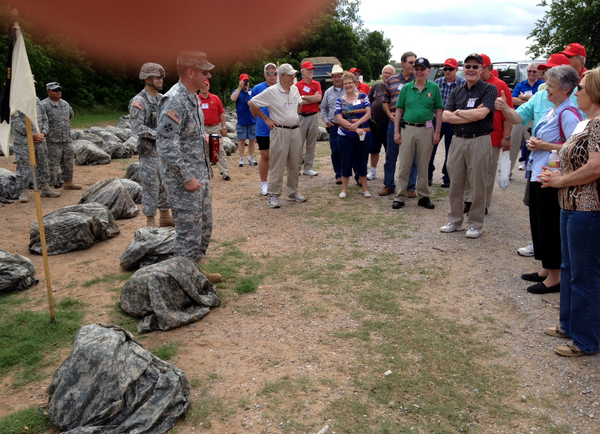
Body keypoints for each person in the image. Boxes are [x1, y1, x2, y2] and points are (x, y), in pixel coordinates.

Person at [496, 65, 581, 293]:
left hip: (552, 177)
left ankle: (555, 276)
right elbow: (522, 120)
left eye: (551, 86)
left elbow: (575, 147)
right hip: (540, 173)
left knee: (550, 225)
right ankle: (546, 268)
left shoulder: (568, 112)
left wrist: (544, 145)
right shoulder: (554, 108)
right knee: (539, 222)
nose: (547, 89)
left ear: (565, 89)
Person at [539, 67, 600, 357]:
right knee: (569, 268)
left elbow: (595, 167)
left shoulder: (598, 124)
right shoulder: (586, 123)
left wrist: (561, 180)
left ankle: (586, 340)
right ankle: (568, 325)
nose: (576, 92)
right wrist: (555, 174)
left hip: (587, 209)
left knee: (584, 275)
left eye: (581, 88)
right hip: (569, 204)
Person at [156, 52, 221, 283]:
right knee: (188, 234)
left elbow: (184, 137)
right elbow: (165, 145)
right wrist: (186, 177)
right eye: (204, 71)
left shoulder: (192, 97)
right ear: (190, 72)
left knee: (204, 227)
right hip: (184, 180)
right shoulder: (174, 100)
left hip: (199, 175)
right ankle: (183, 284)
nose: (208, 75)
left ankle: (194, 272)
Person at [439, 53, 497, 239]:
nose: (471, 70)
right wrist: (467, 112)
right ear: (463, 69)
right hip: (458, 140)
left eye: (475, 66)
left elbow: (482, 115)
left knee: (478, 183)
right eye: (468, 66)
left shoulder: (489, 90)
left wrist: (458, 113)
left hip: (479, 139)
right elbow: (445, 116)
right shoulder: (457, 91)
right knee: (455, 182)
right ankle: (455, 221)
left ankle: (475, 224)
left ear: (482, 69)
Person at [249, 64, 306, 209]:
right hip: (280, 131)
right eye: (290, 75)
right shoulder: (271, 91)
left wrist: (295, 117)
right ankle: (273, 194)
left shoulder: (294, 89)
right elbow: (252, 103)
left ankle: (293, 193)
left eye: (294, 75)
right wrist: (266, 119)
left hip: (295, 131)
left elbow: (299, 103)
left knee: (295, 163)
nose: (293, 77)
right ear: (282, 77)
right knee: (277, 163)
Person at [464, 54, 513, 214]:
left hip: (493, 137)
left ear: (488, 68)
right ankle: (469, 200)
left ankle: (483, 203)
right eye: (471, 67)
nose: (475, 70)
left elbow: (508, 114)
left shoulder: (499, 85)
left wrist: (506, 137)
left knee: (487, 172)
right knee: (469, 170)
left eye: (479, 67)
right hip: (471, 135)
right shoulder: (470, 85)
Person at [392, 57, 443, 210]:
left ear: (428, 71)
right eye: (417, 69)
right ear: (413, 70)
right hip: (407, 129)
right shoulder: (406, 88)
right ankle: (399, 196)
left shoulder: (434, 88)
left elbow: (439, 111)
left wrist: (437, 132)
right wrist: (396, 131)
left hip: (427, 130)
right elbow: (399, 110)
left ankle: (424, 196)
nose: (419, 72)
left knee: (423, 164)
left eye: (422, 69)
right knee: (404, 164)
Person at [129, 63, 174, 228]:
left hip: (163, 150)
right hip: (149, 151)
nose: (161, 80)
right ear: (147, 79)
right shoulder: (139, 102)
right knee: (150, 185)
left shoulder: (162, 100)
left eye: (162, 77)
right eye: (158, 77)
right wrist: (159, 134)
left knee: (165, 183)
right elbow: (137, 127)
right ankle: (150, 220)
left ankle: (164, 216)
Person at [380, 51, 418, 197]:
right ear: (402, 63)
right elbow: (385, 101)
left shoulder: (418, 80)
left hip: (411, 124)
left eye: (415, 62)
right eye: (411, 62)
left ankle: (411, 187)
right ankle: (389, 185)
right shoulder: (393, 80)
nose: (414, 65)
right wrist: (389, 113)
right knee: (391, 155)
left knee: (412, 157)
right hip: (394, 124)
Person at [13, 98, 61, 203]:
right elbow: (15, 121)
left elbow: (44, 118)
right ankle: (23, 191)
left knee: (43, 163)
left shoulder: (36, 100)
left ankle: (45, 187)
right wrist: (30, 134)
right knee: (23, 165)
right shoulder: (15, 99)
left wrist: (43, 132)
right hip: (23, 141)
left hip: (39, 140)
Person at [334, 71, 372, 198]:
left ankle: (365, 189)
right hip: (345, 136)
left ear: (355, 83)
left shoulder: (363, 96)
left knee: (362, 161)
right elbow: (339, 118)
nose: (348, 85)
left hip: (364, 136)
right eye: (345, 83)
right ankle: (344, 190)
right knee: (346, 161)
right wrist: (354, 128)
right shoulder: (339, 100)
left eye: (350, 82)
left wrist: (358, 123)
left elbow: (368, 113)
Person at [41, 82, 81, 190]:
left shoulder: (65, 104)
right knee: (52, 164)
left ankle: (68, 182)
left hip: (66, 139)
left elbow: (70, 116)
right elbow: (40, 121)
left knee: (68, 162)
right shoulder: (43, 105)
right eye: (55, 90)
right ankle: (49, 186)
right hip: (52, 140)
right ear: (49, 91)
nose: (58, 92)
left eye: (60, 90)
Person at [432, 58, 466, 188]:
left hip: (453, 122)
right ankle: (428, 175)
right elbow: (431, 102)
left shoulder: (463, 84)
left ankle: (447, 177)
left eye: (450, 69)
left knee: (450, 151)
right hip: (437, 119)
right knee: (431, 148)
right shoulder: (437, 83)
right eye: (445, 69)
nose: (447, 71)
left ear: (456, 70)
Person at [510, 63, 543, 176]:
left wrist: (523, 97)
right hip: (520, 119)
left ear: (539, 72)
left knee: (535, 148)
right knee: (513, 146)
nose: (531, 73)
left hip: (534, 120)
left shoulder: (542, 86)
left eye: (534, 71)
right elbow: (513, 100)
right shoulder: (521, 85)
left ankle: (535, 174)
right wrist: (532, 100)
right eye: (529, 71)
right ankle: (507, 173)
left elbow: (541, 101)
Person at [252, 63, 278, 196]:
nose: (272, 76)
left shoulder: (281, 87)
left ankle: (275, 182)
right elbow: (252, 106)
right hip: (263, 128)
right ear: (264, 75)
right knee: (265, 155)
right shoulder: (258, 88)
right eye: (269, 73)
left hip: (279, 128)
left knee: (277, 156)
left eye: (274, 73)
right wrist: (262, 119)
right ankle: (264, 183)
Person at [367, 64, 395, 180]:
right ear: (382, 74)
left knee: (390, 151)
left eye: (390, 73)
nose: (387, 75)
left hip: (390, 124)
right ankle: (373, 171)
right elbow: (368, 102)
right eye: (385, 73)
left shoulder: (395, 88)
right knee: (374, 150)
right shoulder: (375, 87)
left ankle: (389, 174)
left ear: (394, 75)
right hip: (375, 125)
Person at [199, 80, 230, 180]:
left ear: (209, 86)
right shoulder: (196, 99)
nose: (204, 87)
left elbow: (221, 113)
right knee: (205, 151)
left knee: (219, 149)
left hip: (215, 127)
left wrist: (224, 127)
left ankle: (224, 171)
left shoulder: (215, 98)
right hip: (202, 128)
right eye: (202, 85)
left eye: (206, 85)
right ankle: (208, 172)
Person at [295, 61, 322, 176]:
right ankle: (296, 168)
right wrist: (311, 98)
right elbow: (297, 101)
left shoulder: (316, 84)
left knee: (311, 144)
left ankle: (308, 168)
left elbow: (318, 98)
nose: (311, 72)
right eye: (309, 70)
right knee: (298, 144)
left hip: (313, 116)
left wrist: (304, 97)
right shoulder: (297, 86)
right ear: (303, 72)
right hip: (301, 116)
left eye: (312, 70)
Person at [320, 64, 345, 184]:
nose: (337, 79)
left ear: (342, 77)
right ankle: (339, 174)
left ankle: (357, 176)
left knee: (352, 150)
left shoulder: (350, 88)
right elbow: (323, 108)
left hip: (349, 126)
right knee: (335, 151)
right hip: (334, 126)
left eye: (339, 76)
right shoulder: (328, 92)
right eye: (334, 77)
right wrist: (326, 121)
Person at [231, 73, 257, 167]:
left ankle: (251, 157)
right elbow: (233, 99)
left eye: (247, 81)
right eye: (244, 81)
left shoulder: (252, 92)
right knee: (241, 140)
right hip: (242, 120)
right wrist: (239, 88)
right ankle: (241, 158)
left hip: (252, 120)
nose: (246, 83)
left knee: (252, 140)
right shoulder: (237, 91)